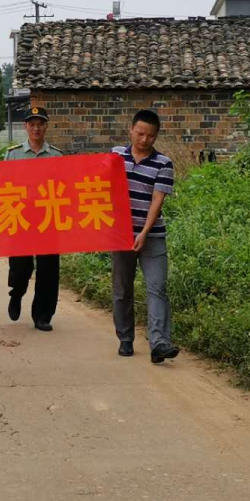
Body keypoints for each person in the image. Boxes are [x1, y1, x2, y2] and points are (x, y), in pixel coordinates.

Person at [111, 109, 180, 363]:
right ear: (130, 130)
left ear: (156, 136)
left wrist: (144, 232)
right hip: (120, 236)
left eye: (150, 136)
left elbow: (157, 201)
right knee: (121, 289)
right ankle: (126, 339)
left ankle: (159, 343)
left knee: (157, 287)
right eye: (140, 133)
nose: (144, 139)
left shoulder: (164, 164)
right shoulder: (116, 156)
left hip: (152, 236)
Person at [4, 107, 63, 331]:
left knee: (48, 269)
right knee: (20, 266)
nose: (36, 127)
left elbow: (64, 188)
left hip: (48, 218)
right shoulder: (14, 154)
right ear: (25, 127)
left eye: (40, 123)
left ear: (46, 126)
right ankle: (16, 293)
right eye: (32, 123)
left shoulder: (56, 156)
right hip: (20, 218)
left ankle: (43, 315)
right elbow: (3, 186)